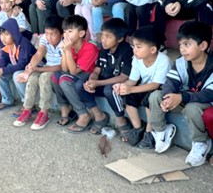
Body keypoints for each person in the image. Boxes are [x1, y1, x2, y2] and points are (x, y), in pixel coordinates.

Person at [148, 21, 213, 165]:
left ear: (203, 46)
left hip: (204, 104)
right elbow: (170, 82)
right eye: (180, 45)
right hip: (183, 99)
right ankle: (161, 131)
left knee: (192, 108)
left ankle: (200, 143)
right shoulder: (181, 62)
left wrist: (182, 96)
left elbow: (209, 94)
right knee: (155, 96)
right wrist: (168, 98)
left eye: (187, 44)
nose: (182, 49)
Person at [113, 26, 171, 146]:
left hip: (160, 91)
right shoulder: (137, 59)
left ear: (153, 49)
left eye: (139, 47)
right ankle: (138, 127)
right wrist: (122, 86)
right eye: (133, 46)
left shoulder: (163, 60)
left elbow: (156, 85)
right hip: (143, 87)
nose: (135, 50)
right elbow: (132, 80)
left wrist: (131, 89)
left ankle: (149, 131)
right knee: (127, 96)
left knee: (149, 99)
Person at [77, 18, 134, 135]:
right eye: (102, 35)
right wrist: (92, 79)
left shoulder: (127, 51)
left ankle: (121, 120)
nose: (103, 39)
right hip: (103, 82)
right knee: (80, 85)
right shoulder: (103, 49)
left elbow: (123, 77)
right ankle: (99, 115)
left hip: (120, 87)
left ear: (120, 38)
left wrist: (98, 83)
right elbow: (97, 69)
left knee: (110, 89)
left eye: (108, 37)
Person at [14, 15, 63, 130]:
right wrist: (28, 71)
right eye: (47, 33)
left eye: (53, 34)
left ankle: (44, 113)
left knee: (44, 77)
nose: (49, 37)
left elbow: (61, 66)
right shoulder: (44, 39)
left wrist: (40, 69)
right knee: (32, 77)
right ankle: (27, 110)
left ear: (61, 33)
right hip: (47, 66)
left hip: (59, 69)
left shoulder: (64, 43)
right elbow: (38, 54)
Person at [51, 15, 99, 132]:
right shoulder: (70, 46)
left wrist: (67, 50)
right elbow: (64, 69)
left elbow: (73, 71)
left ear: (81, 33)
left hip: (88, 75)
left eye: (70, 31)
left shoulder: (89, 48)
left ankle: (83, 114)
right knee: (55, 77)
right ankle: (65, 108)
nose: (66, 35)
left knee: (65, 80)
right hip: (75, 73)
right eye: (65, 32)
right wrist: (64, 51)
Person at [0, 18, 36, 112]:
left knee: (17, 75)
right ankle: (7, 100)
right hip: (20, 67)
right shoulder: (7, 45)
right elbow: (3, 59)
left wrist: (1, 70)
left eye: (7, 34)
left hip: (32, 68)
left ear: (14, 33)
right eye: (1, 34)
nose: (3, 37)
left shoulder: (23, 43)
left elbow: (22, 65)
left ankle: (28, 104)